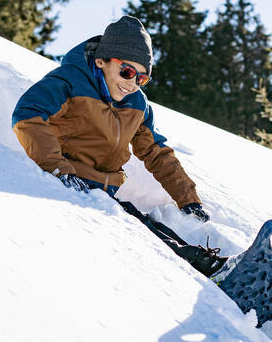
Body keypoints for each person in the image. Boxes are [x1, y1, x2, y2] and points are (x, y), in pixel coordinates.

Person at [12, 15, 233, 279]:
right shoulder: (70, 81)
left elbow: (155, 151)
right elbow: (27, 114)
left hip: (105, 192)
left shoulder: (137, 104)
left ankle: (212, 265)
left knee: (148, 226)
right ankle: (208, 271)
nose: (132, 83)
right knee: (142, 236)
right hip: (68, 187)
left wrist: (188, 198)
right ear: (102, 61)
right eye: (127, 71)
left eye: (141, 78)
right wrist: (59, 170)